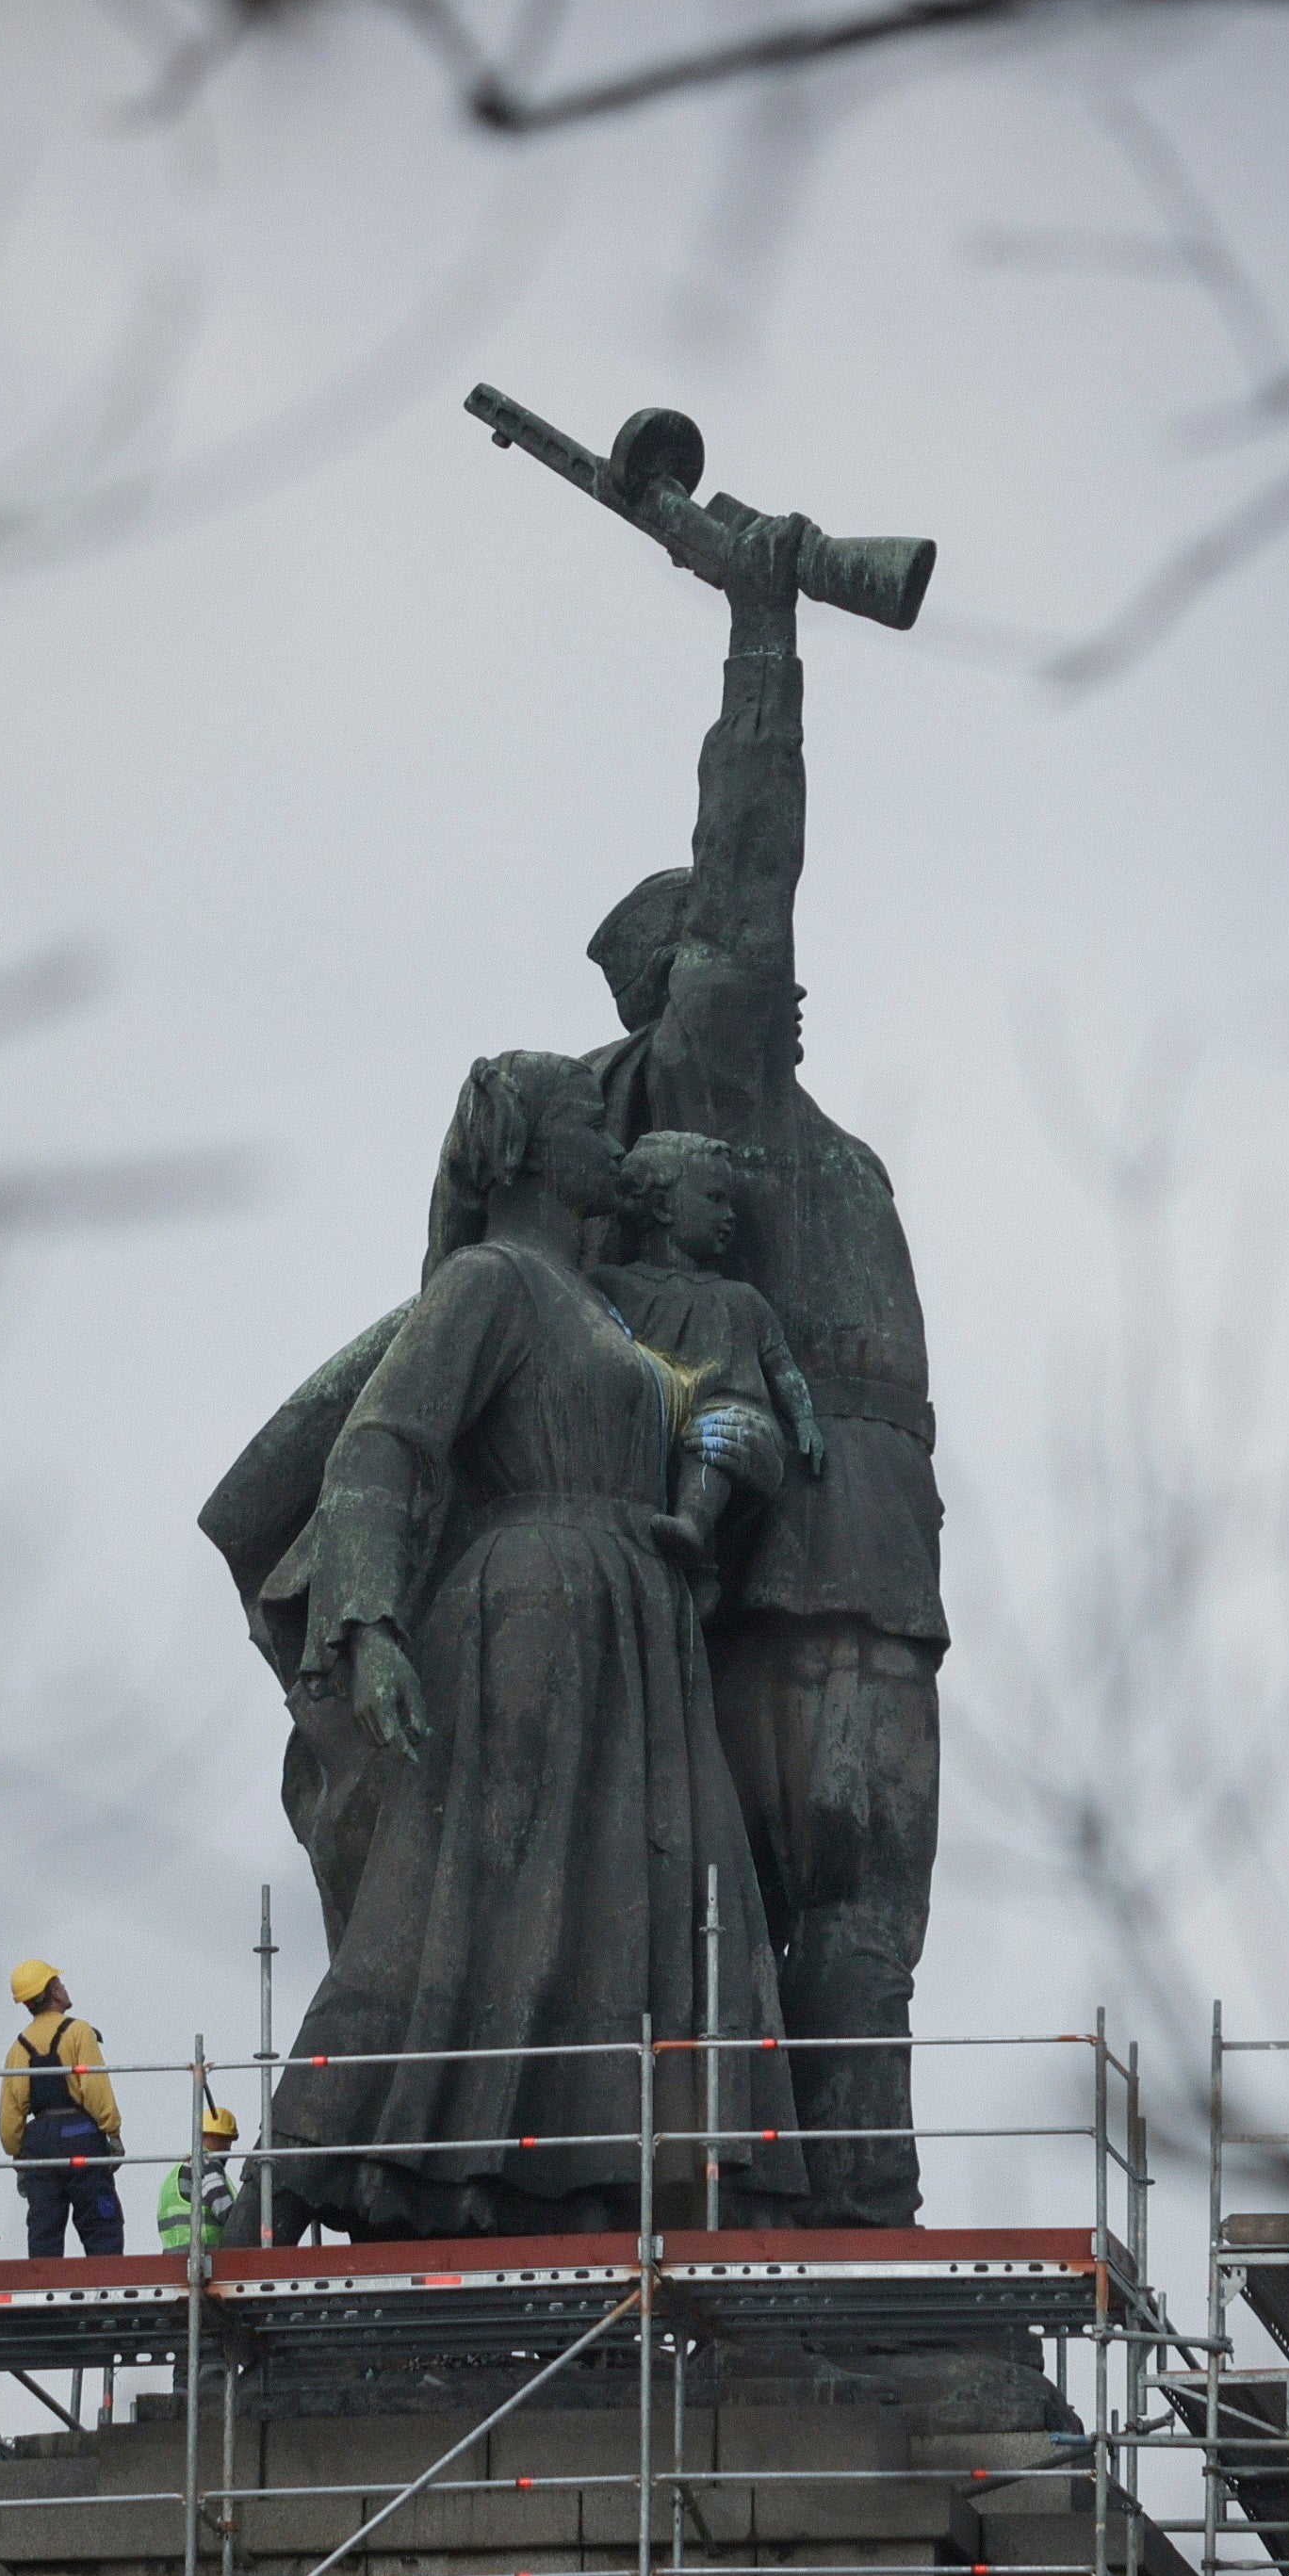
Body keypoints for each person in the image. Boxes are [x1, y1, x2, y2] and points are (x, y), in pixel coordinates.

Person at [265, 1048, 793, 2236]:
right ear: (532, 1152)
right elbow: (381, 1445)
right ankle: (293, 2173)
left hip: (631, 1629)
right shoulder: (491, 1283)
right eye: (584, 1119)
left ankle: (592, 2181)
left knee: (655, 1901)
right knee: (455, 1903)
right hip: (531, 1614)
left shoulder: (597, 1304)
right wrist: (368, 1623)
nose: (611, 1136)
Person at [578, 510, 936, 2192]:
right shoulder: (707, 1093)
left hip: (877, 1587)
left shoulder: (826, 1150)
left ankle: (866, 2227)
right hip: (776, 1586)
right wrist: (763, 638)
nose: (768, 985)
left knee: (869, 1935)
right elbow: (749, 871)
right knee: (768, 1934)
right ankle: (788, 2218)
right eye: (715, 969)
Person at [604, 1128, 826, 1589]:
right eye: (714, 1198)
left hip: (725, 1420)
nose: (729, 1216)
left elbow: (781, 1366)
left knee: (722, 1433)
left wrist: (804, 1420)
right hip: (646, 1421)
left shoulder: (742, 1300)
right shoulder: (612, 1287)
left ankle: (694, 1527)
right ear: (663, 1206)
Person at [0, 1959, 124, 2256]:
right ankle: (106, 2291)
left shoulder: (18, 2048)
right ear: (53, 1991)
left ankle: (44, 2296)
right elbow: (95, 2087)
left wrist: (19, 2155)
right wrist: (113, 2132)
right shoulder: (78, 2031)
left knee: (44, 2232)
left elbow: (10, 2114)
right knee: (101, 2223)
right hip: (80, 2134)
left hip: (39, 2143)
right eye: (60, 1983)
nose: (64, 1988)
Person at [155, 2100, 248, 2258]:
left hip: (173, 2257)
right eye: (227, 2141)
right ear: (218, 2138)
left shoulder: (182, 2166)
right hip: (204, 2255)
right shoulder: (206, 2164)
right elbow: (227, 2213)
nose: (229, 2148)